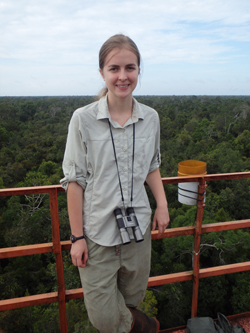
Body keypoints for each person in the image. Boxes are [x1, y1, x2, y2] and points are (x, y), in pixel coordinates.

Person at [60, 34, 170, 333]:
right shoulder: (82, 119)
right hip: (97, 232)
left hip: (138, 229)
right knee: (105, 318)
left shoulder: (151, 118)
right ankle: (148, 328)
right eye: (114, 68)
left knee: (132, 298)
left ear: (138, 71)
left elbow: (152, 165)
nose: (123, 76)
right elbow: (74, 181)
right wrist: (76, 237)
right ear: (102, 73)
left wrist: (161, 204)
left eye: (130, 68)